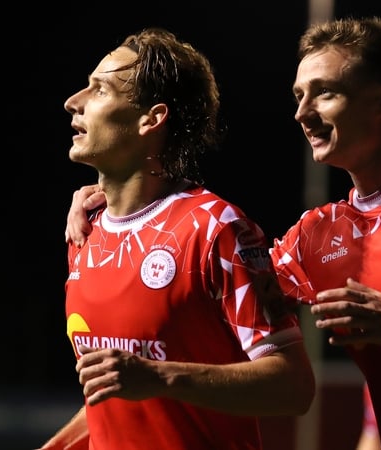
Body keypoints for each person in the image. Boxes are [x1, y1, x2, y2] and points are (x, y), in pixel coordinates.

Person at [64, 16, 381, 449]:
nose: (301, 113)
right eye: (298, 95)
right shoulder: (315, 238)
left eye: (324, 94)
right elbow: (203, 273)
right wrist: (118, 213)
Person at [39, 27, 315, 450]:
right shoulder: (84, 232)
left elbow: (293, 386)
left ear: (152, 119)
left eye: (99, 89)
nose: (72, 102)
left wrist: (159, 375)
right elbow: (113, 401)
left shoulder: (215, 228)